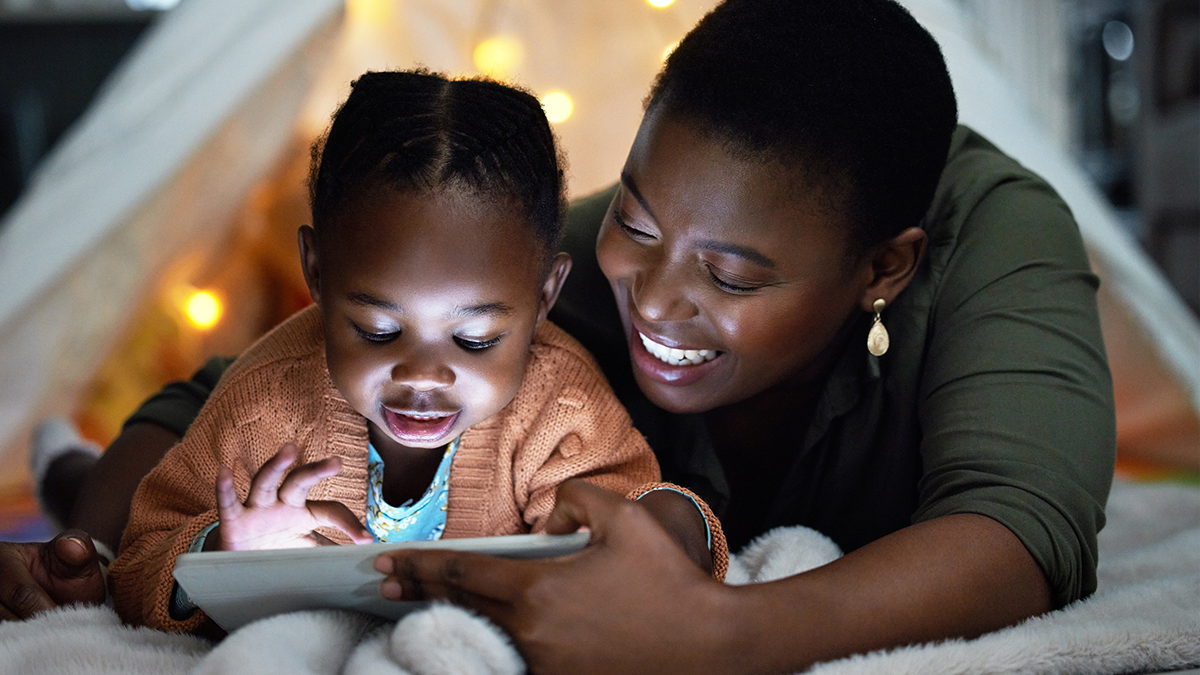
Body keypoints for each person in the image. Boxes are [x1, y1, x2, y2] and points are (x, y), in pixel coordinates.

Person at [1, 1, 1115, 671]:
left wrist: (721, 640)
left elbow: (1023, 528)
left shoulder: (996, 239)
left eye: (731, 275)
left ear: (886, 267)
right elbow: (235, 389)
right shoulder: (550, 288)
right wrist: (95, 550)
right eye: (634, 218)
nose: (658, 297)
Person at [105, 69, 721, 636]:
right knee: (91, 488)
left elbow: (638, 529)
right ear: (317, 273)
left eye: (475, 340)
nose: (424, 374)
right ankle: (68, 469)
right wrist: (221, 555)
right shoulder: (265, 406)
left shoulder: (561, 409)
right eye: (377, 330)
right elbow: (136, 566)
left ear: (545, 295)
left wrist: (667, 520)